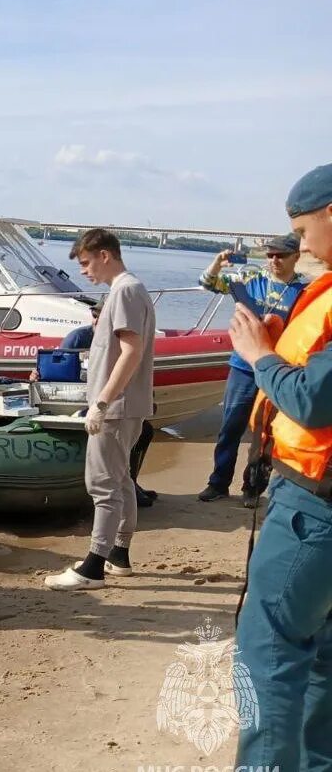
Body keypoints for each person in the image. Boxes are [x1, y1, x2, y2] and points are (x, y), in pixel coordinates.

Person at [231, 164, 332, 769]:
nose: (300, 244)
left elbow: (314, 402)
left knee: (268, 652)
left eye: (302, 228)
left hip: (315, 511)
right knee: (320, 655)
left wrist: (261, 356)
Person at [45, 229, 155, 591]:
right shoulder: (131, 289)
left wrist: (102, 402)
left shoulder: (124, 290)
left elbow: (131, 351)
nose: (83, 271)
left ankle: (92, 566)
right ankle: (118, 554)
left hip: (117, 406)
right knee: (121, 479)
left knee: (103, 483)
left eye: (86, 262)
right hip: (129, 404)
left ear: (105, 255)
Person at [197, 233, 308, 506]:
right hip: (243, 366)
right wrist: (217, 263)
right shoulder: (252, 279)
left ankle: (253, 487)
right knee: (231, 425)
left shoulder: (305, 292)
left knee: (265, 433)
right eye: (270, 255)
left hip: (278, 368)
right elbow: (207, 283)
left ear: (296, 256)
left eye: (280, 255)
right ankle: (218, 483)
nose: (274, 261)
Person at [31, 303, 159, 508]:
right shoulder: (78, 338)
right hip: (84, 403)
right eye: (94, 316)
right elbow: (56, 370)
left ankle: (131, 483)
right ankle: (120, 488)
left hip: (114, 402)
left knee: (145, 431)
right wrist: (38, 375)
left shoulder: (127, 340)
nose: (96, 321)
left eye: (102, 317)